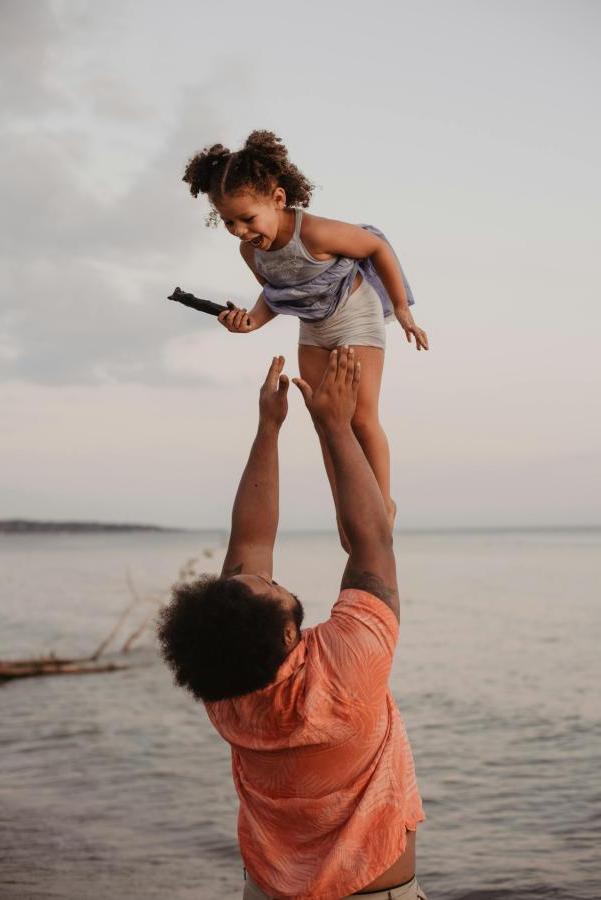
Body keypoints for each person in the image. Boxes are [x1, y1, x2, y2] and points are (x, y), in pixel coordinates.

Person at [157, 349, 427, 899]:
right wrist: (333, 425)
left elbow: (250, 546)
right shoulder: (347, 668)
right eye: (270, 588)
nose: (269, 578)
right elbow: (373, 539)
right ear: (287, 636)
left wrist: (269, 428)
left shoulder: (226, 690)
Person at [182, 130, 429, 548]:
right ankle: (347, 510)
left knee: (361, 415)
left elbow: (376, 247)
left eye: (247, 218)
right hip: (313, 327)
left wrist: (402, 309)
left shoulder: (313, 232)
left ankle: (382, 503)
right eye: (228, 222)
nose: (240, 231)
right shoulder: (252, 253)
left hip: (354, 314)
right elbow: (276, 295)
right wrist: (249, 322)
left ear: (277, 199)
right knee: (326, 421)